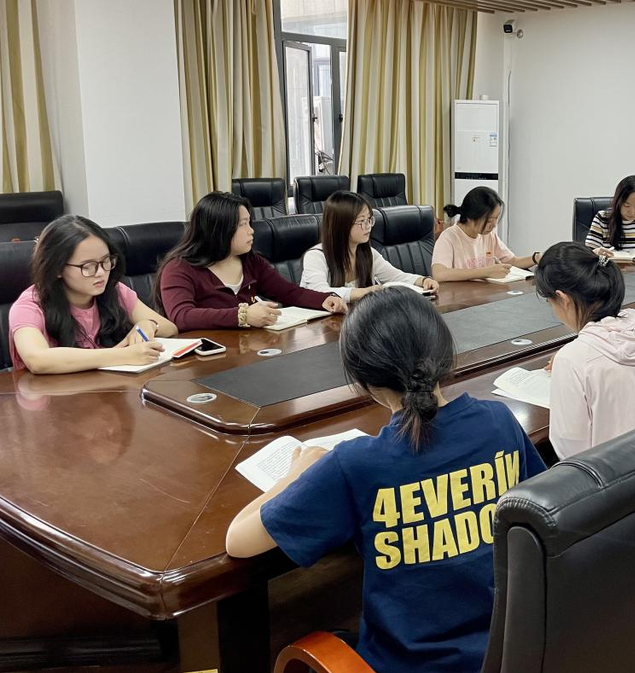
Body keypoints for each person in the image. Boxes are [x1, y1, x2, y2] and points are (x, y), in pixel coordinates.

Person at [225, 288, 546, 673]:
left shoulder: (355, 463)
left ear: (362, 381)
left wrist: (297, 472)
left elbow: (238, 540)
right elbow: (542, 512)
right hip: (513, 650)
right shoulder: (499, 421)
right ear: (445, 352)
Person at [536, 241, 635, 459]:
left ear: (563, 299)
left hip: (616, 478)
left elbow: (571, 452)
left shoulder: (573, 360)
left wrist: (572, 358)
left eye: (549, 302)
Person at [9, 215, 179, 374]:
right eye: (88, 266)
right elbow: (37, 359)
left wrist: (147, 324)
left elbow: (170, 329)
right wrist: (124, 355)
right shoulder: (30, 305)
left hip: (108, 389)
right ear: (57, 268)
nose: (101, 273)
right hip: (54, 394)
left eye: (105, 261)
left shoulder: (114, 290)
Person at [157, 191, 346, 331]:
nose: (251, 231)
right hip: (204, 358)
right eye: (243, 224)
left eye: (249, 222)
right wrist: (243, 316)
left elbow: (288, 292)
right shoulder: (179, 268)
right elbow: (182, 316)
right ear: (219, 230)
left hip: (248, 348)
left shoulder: (250, 261)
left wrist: (324, 299)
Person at [301, 191, 439, 301]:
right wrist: (364, 292)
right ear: (341, 226)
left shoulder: (367, 252)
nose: (368, 226)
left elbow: (396, 277)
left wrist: (423, 280)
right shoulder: (316, 256)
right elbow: (319, 292)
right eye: (362, 221)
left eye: (369, 219)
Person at [431, 187, 542, 282]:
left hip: (485, 296)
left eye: (496, 218)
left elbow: (512, 261)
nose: (494, 225)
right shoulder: (449, 237)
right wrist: (485, 272)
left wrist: (535, 258)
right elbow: (439, 274)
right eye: (489, 220)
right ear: (471, 217)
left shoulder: (489, 236)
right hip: (460, 297)